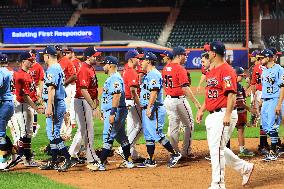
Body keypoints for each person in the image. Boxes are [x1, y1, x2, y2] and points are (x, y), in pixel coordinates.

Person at [196, 41, 254, 188]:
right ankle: (245, 168)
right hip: (213, 115)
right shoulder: (212, 71)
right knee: (217, 148)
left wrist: (227, 115)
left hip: (223, 114)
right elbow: (210, 94)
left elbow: (231, 95)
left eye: (209, 51)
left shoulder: (226, 70)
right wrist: (202, 109)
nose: (207, 53)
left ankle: (218, 184)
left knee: (217, 150)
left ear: (214, 53)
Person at [137, 52, 182, 168]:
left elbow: (154, 92)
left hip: (154, 109)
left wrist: (149, 107)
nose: (141, 62)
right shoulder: (148, 75)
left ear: (148, 61)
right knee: (148, 135)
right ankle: (151, 160)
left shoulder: (154, 74)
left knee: (157, 133)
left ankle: (175, 154)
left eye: (143, 60)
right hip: (148, 108)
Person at [39, 46, 73, 172]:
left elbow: (51, 89)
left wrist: (49, 107)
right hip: (58, 103)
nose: (43, 57)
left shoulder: (52, 69)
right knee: (52, 133)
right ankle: (54, 161)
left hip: (55, 104)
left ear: (48, 56)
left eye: (44, 55)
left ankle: (68, 158)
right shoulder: (57, 67)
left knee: (54, 133)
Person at [162, 47, 200, 160]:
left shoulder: (166, 67)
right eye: (185, 54)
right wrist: (196, 102)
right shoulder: (179, 68)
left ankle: (174, 152)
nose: (186, 56)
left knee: (174, 126)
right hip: (178, 101)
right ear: (178, 55)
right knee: (189, 125)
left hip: (168, 100)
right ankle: (186, 151)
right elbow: (185, 88)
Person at [97, 56, 134, 171]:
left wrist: (112, 113)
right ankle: (129, 161)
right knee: (121, 136)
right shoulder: (113, 78)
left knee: (108, 136)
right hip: (116, 110)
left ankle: (101, 164)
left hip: (115, 111)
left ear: (110, 65)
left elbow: (117, 95)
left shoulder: (115, 78)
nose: (103, 66)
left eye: (105, 64)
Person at [7, 52, 43, 168]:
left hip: (28, 105)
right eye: (29, 60)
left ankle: (26, 157)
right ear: (23, 61)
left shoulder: (28, 74)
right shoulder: (19, 75)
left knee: (28, 133)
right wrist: (36, 107)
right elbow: (25, 96)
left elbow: (31, 92)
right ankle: (18, 155)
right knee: (24, 133)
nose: (32, 61)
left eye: (32, 60)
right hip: (22, 105)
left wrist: (37, 101)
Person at [69, 46, 101, 170]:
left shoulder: (90, 67)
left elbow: (92, 86)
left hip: (86, 101)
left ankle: (72, 154)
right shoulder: (83, 69)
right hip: (82, 101)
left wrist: (95, 99)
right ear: (88, 56)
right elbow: (83, 90)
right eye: (95, 55)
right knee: (88, 130)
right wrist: (93, 106)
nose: (97, 57)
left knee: (84, 130)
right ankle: (90, 157)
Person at [115, 50, 145, 163]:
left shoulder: (126, 69)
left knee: (132, 128)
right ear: (131, 59)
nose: (139, 59)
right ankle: (123, 149)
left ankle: (132, 153)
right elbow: (133, 91)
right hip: (131, 101)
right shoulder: (131, 71)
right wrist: (140, 103)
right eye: (137, 58)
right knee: (141, 126)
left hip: (126, 102)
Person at [260, 49, 284, 161]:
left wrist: (279, 104)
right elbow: (265, 87)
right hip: (266, 101)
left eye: (262, 57)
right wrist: (261, 100)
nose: (260, 59)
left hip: (275, 100)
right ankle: (277, 147)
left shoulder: (279, 69)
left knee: (272, 125)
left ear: (269, 57)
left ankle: (273, 151)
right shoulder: (264, 71)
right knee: (265, 127)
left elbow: (283, 87)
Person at [234, 67, 255, 157]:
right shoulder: (237, 85)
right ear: (236, 75)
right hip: (239, 112)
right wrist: (249, 109)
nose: (242, 78)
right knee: (240, 129)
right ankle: (242, 149)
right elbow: (239, 102)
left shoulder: (233, 84)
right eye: (241, 76)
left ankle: (225, 149)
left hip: (233, 111)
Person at [0, 53, 15, 170]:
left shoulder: (0, 71)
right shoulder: (10, 71)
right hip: (9, 103)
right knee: (2, 133)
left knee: (0, 135)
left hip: (4, 104)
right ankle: (15, 154)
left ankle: (3, 162)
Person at [58, 47, 77, 140]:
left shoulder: (66, 61)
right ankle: (61, 133)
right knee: (59, 111)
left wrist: (64, 83)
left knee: (66, 111)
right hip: (59, 89)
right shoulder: (54, 62)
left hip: (68, 88)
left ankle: (67, 134)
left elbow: (74, 76)